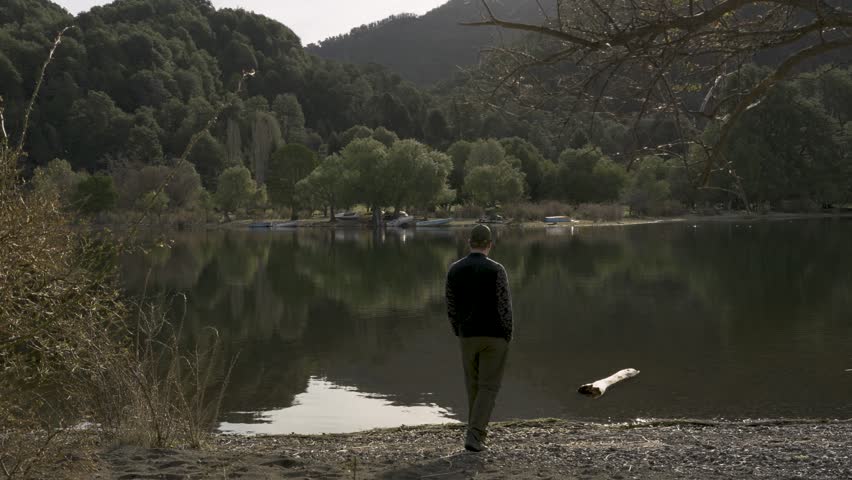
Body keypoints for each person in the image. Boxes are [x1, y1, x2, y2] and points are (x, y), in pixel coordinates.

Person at [445, 224, 513, 452]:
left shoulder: (454, 269)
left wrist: (458, 330)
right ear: (489, 244)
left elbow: (451, 307)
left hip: (467, 335)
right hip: (494, 336)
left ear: (469, 243)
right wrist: (507, 335)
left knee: (473, 386)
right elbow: (505, 307)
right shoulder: (497, 270)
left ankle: (476, 432)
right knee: (488, 387)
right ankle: (474, 436)